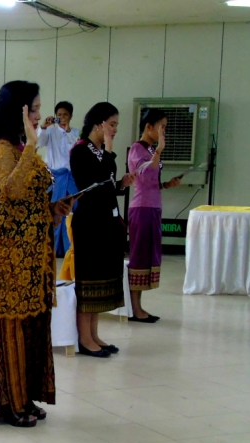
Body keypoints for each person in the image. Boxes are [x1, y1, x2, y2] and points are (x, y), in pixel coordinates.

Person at [0, 81, 72, 427]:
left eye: (37, 109)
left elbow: (31, 198)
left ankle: (26, 395)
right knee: (13, 322)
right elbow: (13, 190)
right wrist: (33, 147)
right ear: (16, 111)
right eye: (32, 109)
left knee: (34, 320)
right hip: (11, 250)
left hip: (35, 247)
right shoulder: (1, 150)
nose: (38, 116)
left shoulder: (21, 147)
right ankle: (8, 402)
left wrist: (53, 209)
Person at [69, 102, 135, 357]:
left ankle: (95, 334)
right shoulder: (80, 150)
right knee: (89, 281)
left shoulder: (99, 151)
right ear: (98, 124)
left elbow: (105, 183)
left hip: (106, 222)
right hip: (90, 224)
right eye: (112, 124)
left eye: (116, 124)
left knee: (102, 280)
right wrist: (109, 151)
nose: (115, 129)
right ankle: (84, 338)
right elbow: (91, 185)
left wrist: (120, 184)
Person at [128, 108, 182, 322]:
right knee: (139, 257)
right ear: (149, 127)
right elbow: (142, 173)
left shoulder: (151, 150)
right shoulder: (137, 149)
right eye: (162, 127)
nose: (163, 132)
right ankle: (135, 308)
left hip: (152, 207)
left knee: (147, 256)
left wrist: (166, 185)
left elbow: (151, 181)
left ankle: (139, 306)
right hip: (141, 209)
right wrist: (158, 151)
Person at [38, 101, 80, 256]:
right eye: (59, 115)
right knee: (53, 210)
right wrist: (43, 127)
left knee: (71, 209)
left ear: (70, 116)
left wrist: (67, 130)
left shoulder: (76, 132)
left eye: (65, 115)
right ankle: (52, 248)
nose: (62, 118)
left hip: (70, 177)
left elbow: (76, 147)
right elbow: (38, 142)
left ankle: (70, 248)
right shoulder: (50, 132)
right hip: (54, 177)